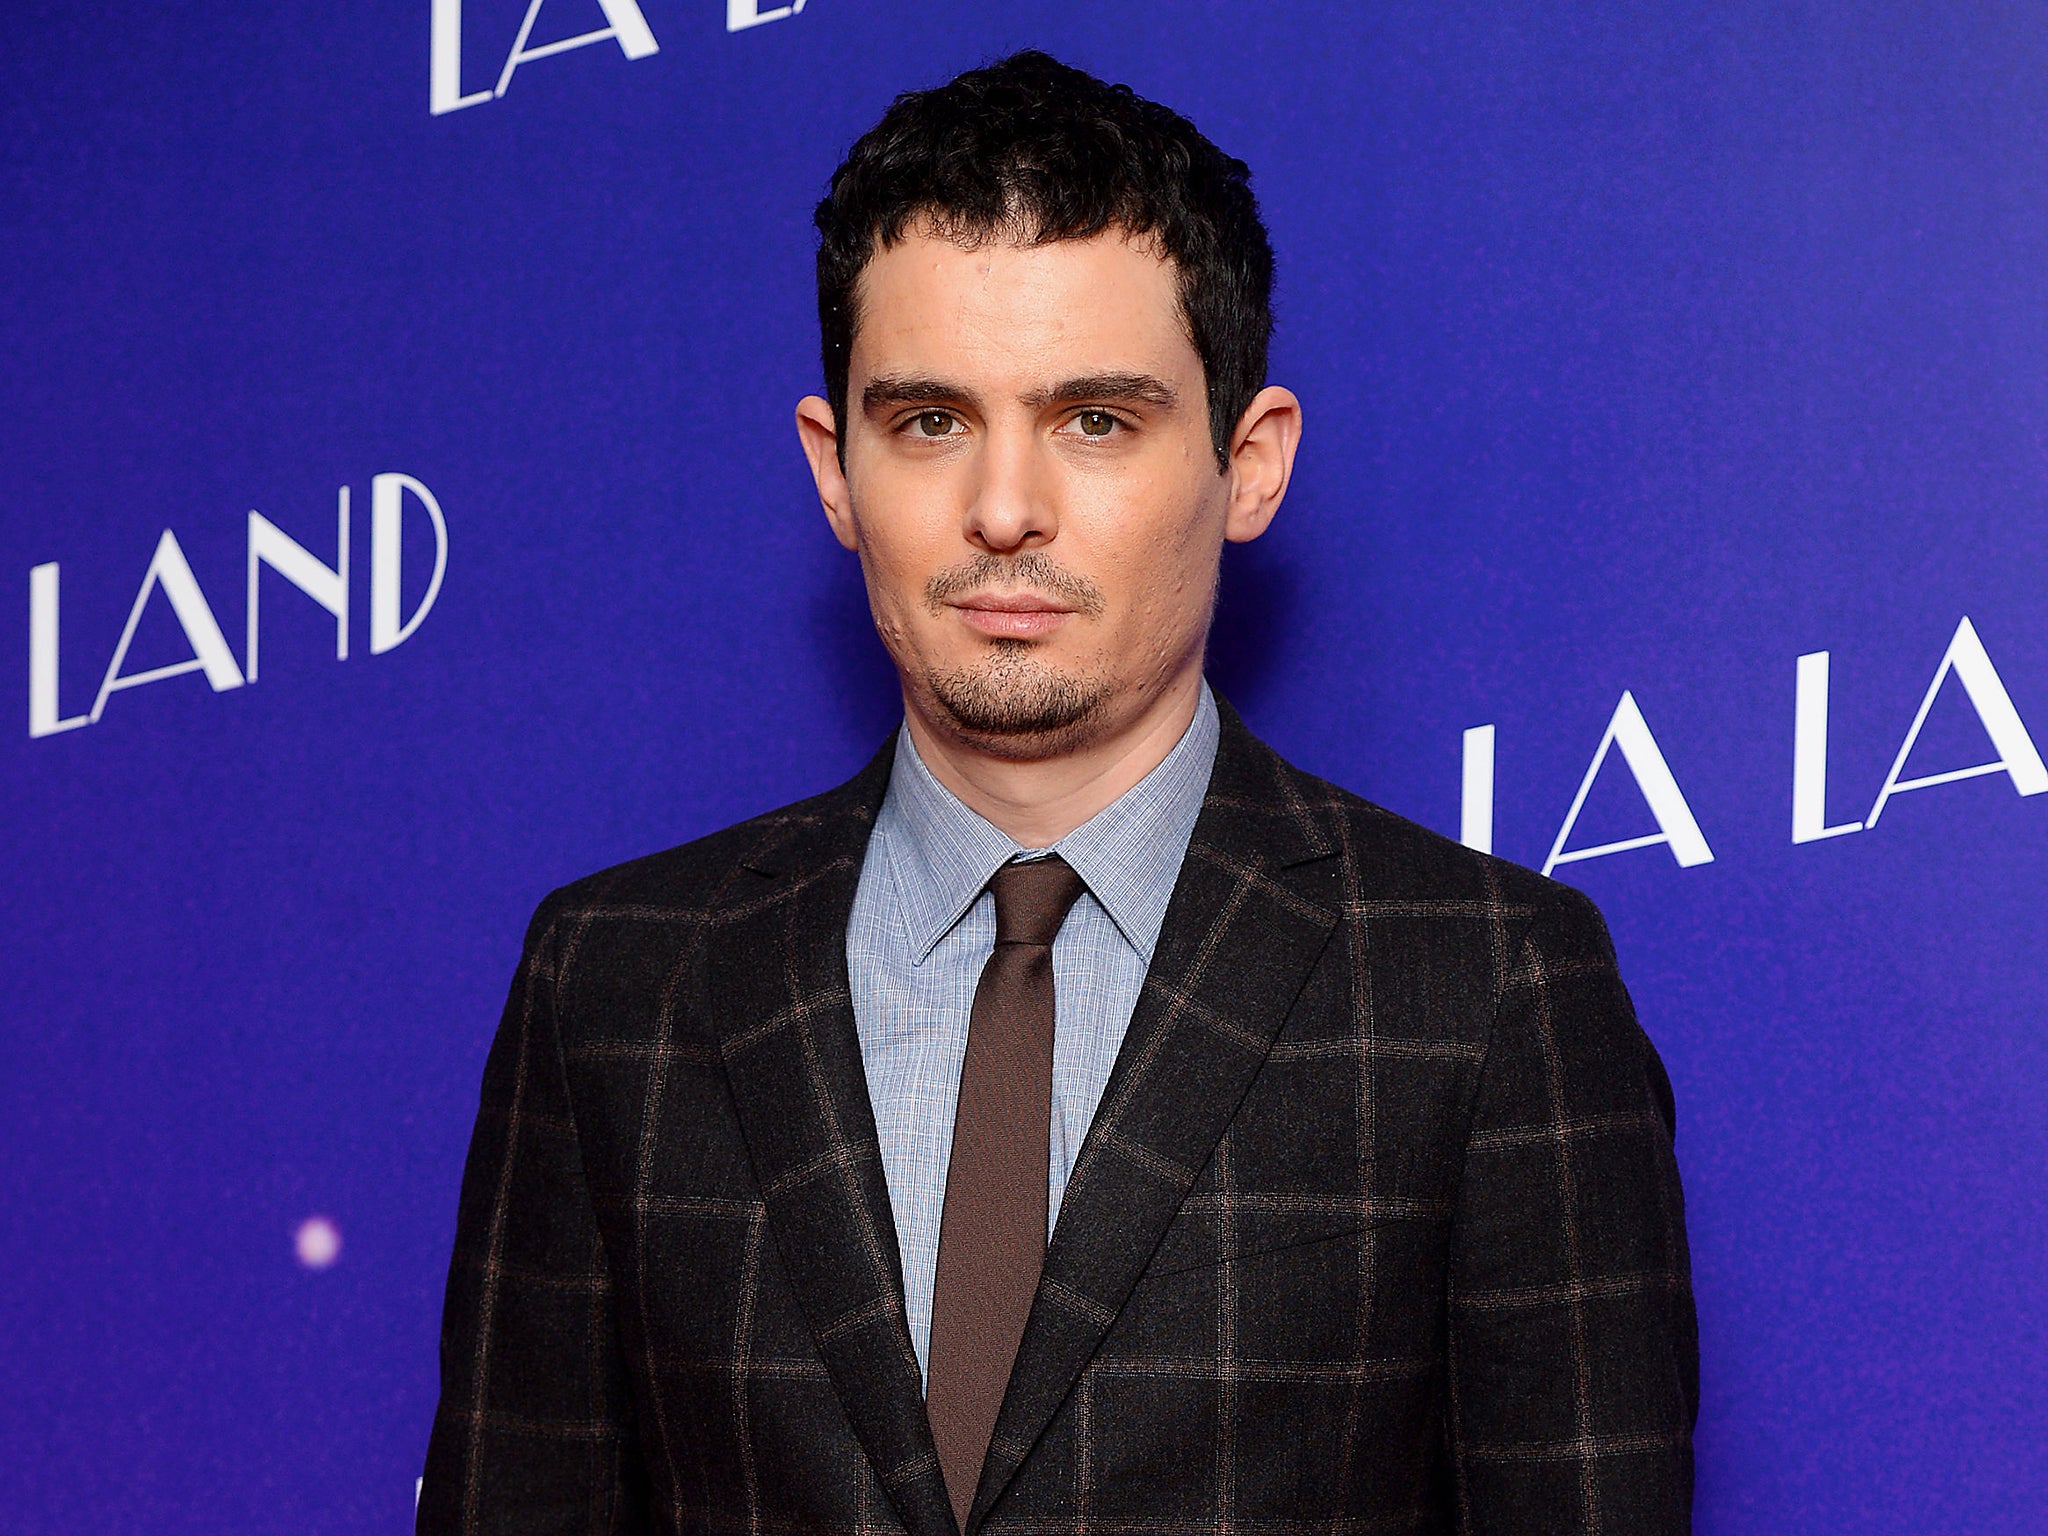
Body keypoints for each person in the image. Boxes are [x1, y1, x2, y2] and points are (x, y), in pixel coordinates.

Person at [418, 49, 1697, 1536]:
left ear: (1250, 460)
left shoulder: (1483, 989)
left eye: (1096, 419)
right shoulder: (616, 984)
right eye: (929, 422)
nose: (1005, 508)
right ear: (835, 471)